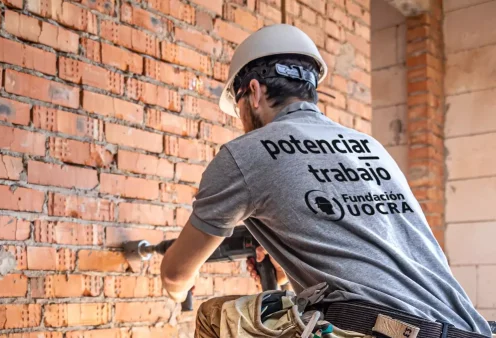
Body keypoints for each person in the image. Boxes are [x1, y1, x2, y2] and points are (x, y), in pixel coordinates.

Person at [159, 24, 492, 338]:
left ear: (255, 93)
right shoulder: (369, 147)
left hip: (382, 330)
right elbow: (360, 233)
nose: (242, 121)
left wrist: (179, 288)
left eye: (240, 109)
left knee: (213, 314)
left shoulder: (244, 154)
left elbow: (176, 273)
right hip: (462, 326)